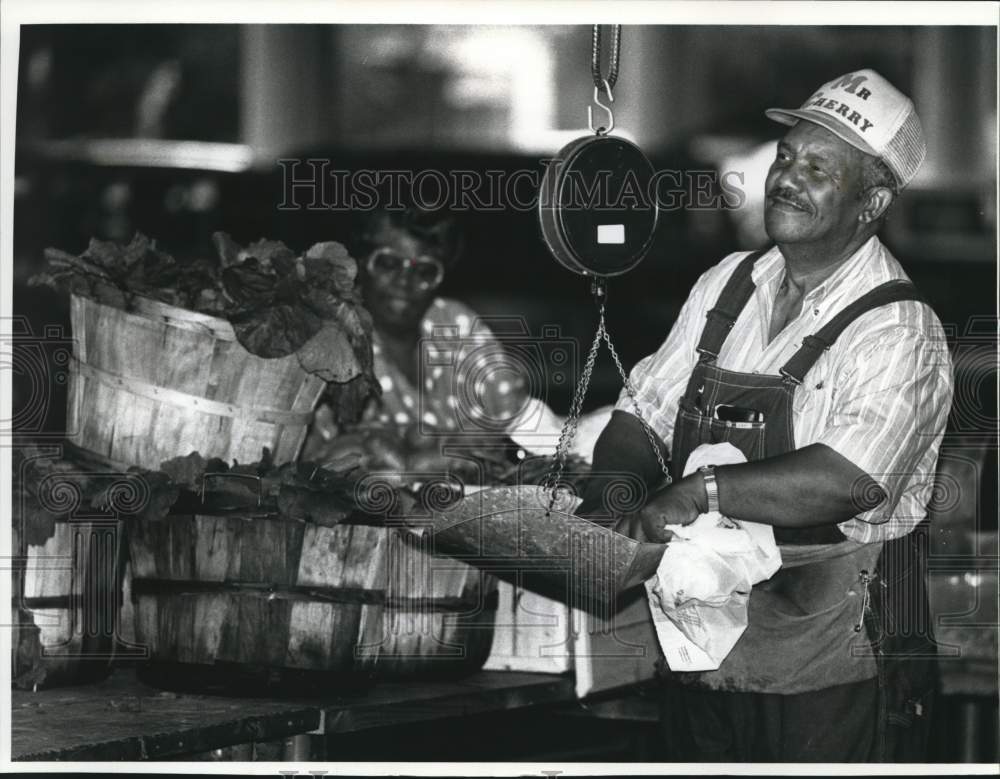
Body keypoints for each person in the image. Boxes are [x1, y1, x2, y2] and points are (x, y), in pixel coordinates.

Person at [577, 69, 954, 762]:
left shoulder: (900, 328)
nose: (787, 176)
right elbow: (642, 411)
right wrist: (616, 497)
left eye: (818, 167)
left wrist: (698, 492)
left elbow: (851, 479)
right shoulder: (727, 284)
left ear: (871, 201)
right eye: (786, 156)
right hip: (705, 658)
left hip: (836, 671)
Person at [302, 206, 531, 481]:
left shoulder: (457, 325)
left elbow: (519, 426)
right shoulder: (334, 341)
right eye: (387, 263)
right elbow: (313, 459)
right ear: (359, 262)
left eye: (424, 271)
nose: (404, 281)